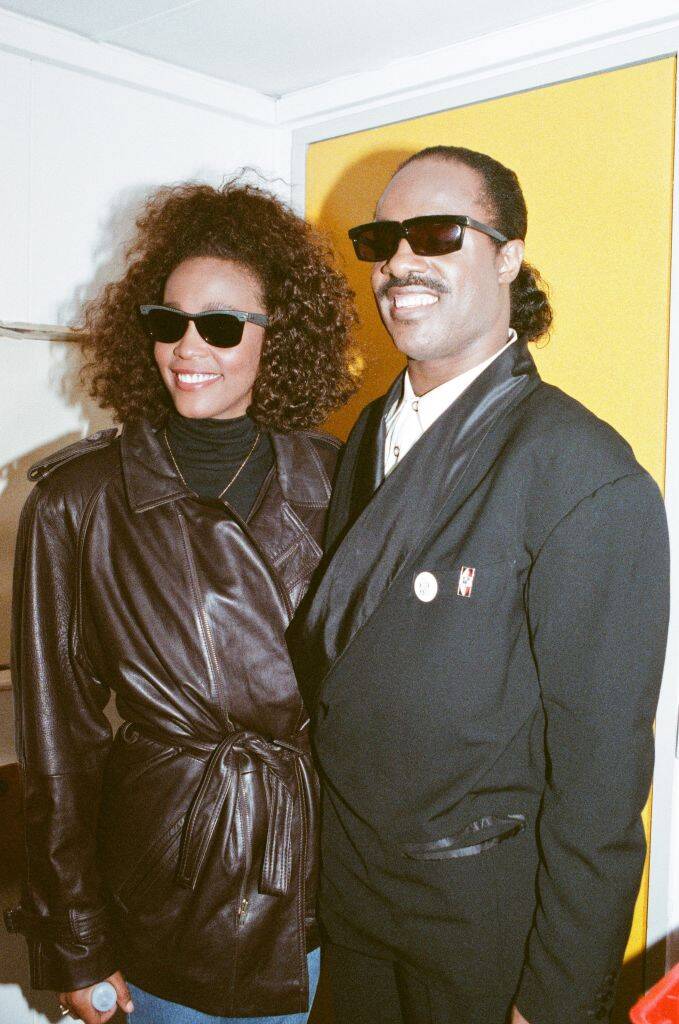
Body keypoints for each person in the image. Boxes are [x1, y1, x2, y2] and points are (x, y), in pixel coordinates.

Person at [288, 146, 670, 1024]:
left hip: (483, 935)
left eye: (435, 233)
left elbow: (600, 789)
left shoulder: (580, 471)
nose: (398, 263)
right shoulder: (367, 439)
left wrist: (557, 997)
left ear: (506, 256)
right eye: (383, 238)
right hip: (356, 910)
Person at [7, 179, 357, 1024]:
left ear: (282, 339)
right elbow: (58, 742)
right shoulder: (78, 501)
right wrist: (76, 941)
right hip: (171, 881)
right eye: (167, 322)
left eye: (222, 324)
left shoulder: (344, 478)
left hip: (329, 877)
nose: (187, 347)